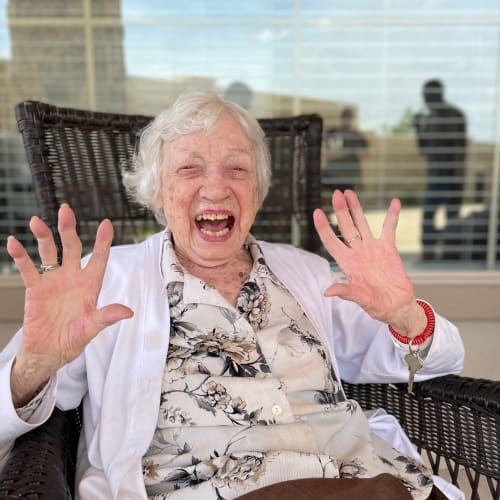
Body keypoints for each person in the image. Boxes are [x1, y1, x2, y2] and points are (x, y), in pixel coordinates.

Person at [0, 93, 464, 500]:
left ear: (257, 191)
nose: (217, 187)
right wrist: (35, 365)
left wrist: (405, 315)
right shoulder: (104, 282)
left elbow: (435, 361)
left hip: (370, 480)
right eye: (189, 169)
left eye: (237, 169)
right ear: (158, 193)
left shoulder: (305, 271)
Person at [413, 79, 467, 261]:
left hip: (449, 175)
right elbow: (424, 150)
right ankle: (431, 256)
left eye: (427, 95)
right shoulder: (430, 118)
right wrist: (418, 129)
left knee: (449, 218)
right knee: (430, 216)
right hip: (436, 175)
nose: (425, 99)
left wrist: (456, 178)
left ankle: (450, 256)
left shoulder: (452, 115)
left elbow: (459, 148)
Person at [322, 107, 368, 194]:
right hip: (332, 177)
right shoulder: (331, 133)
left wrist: (340, 153)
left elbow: (364, 153)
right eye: (344, 116)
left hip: (350, 179)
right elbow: (325, 153)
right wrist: (349, 151)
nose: (346, 119)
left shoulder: (356, 135)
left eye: (348, 116)